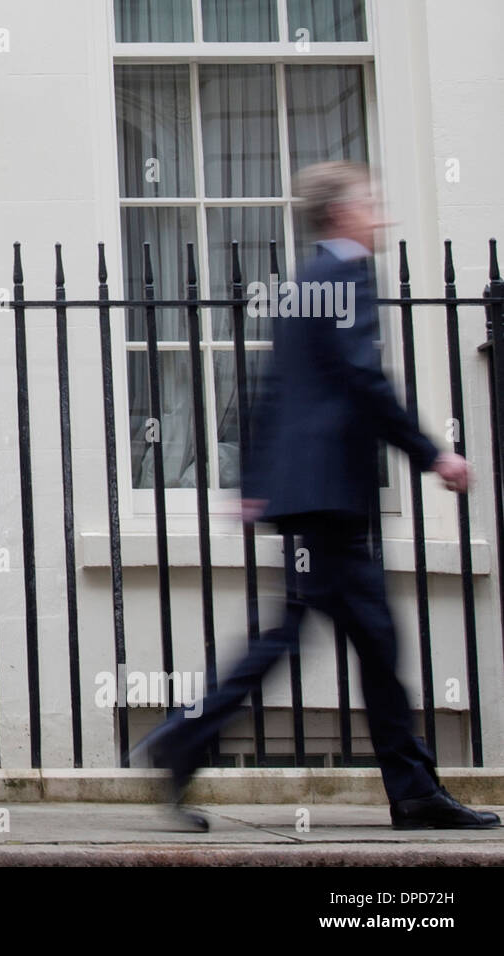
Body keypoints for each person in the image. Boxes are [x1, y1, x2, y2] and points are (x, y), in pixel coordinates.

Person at [134, 160, 500, 832]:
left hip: (308, 494)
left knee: (320, 635)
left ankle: (185, 738)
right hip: (330, 495)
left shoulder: (306, 279)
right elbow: (364, 379)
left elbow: (272, 382)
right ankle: (409, 790)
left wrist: (256, 485)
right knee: (359, 639)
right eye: (371, 202)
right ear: (341, 214)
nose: (381, 213)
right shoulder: (346, 274)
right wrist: (433, 453)